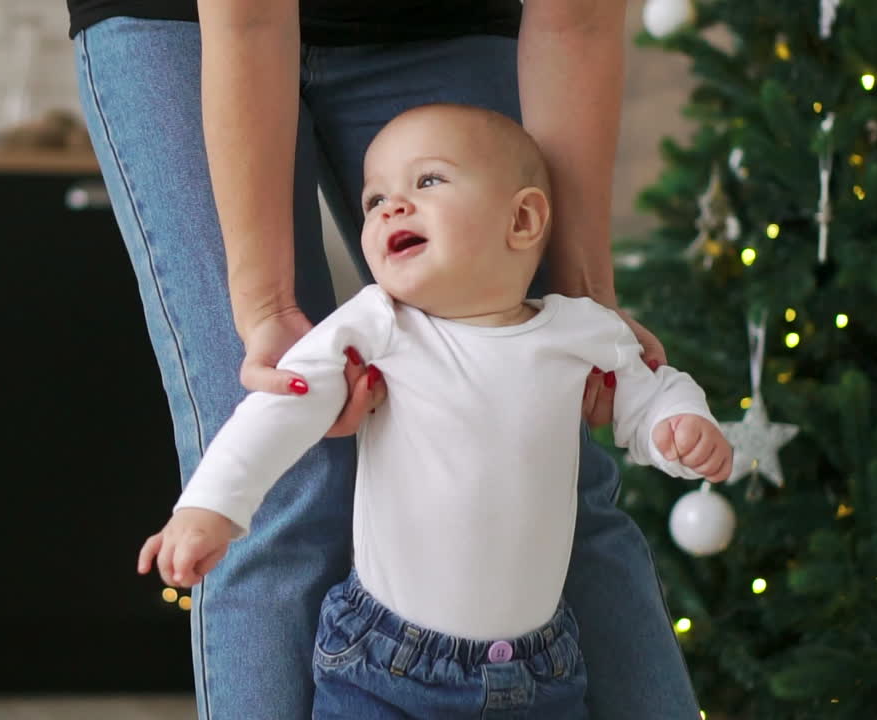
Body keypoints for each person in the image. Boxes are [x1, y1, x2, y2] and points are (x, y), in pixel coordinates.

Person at [70, 1, 705, 717]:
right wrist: (266, 309)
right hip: (189, 22)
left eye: (422, 187)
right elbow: (250, 20)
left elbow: (576, 20)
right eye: (378, 201)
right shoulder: (374, 321)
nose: (392, 209)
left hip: (432, 22)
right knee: (282, 489)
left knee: (561, 452)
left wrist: (587, 308)